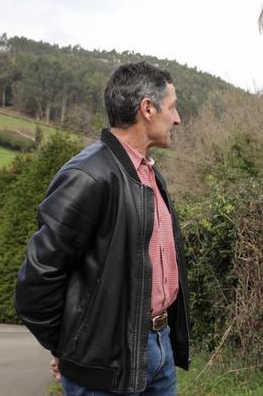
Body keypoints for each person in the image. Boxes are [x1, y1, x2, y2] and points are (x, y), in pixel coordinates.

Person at [14, 61, 190, 395]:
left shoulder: (151, 176)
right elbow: (37, 280)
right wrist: (72, 349)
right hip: (103, 363)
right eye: (173, 107)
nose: (177, 118)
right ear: (147, 109)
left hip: (158, 349)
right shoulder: (88, 175)